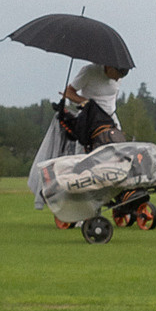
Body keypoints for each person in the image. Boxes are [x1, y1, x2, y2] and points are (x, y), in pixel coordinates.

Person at [29, 62, 127, 218]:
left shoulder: (118, 76)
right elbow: (69, 92)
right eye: (118, 74)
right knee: (83, 166)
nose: (118, 79)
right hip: (89, 124)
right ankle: (82, 212)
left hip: (110, 124)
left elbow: (110, 99)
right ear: (109, 67)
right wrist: (86, 103)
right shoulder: (89, 71)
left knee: (117, 162)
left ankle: (119, 200)